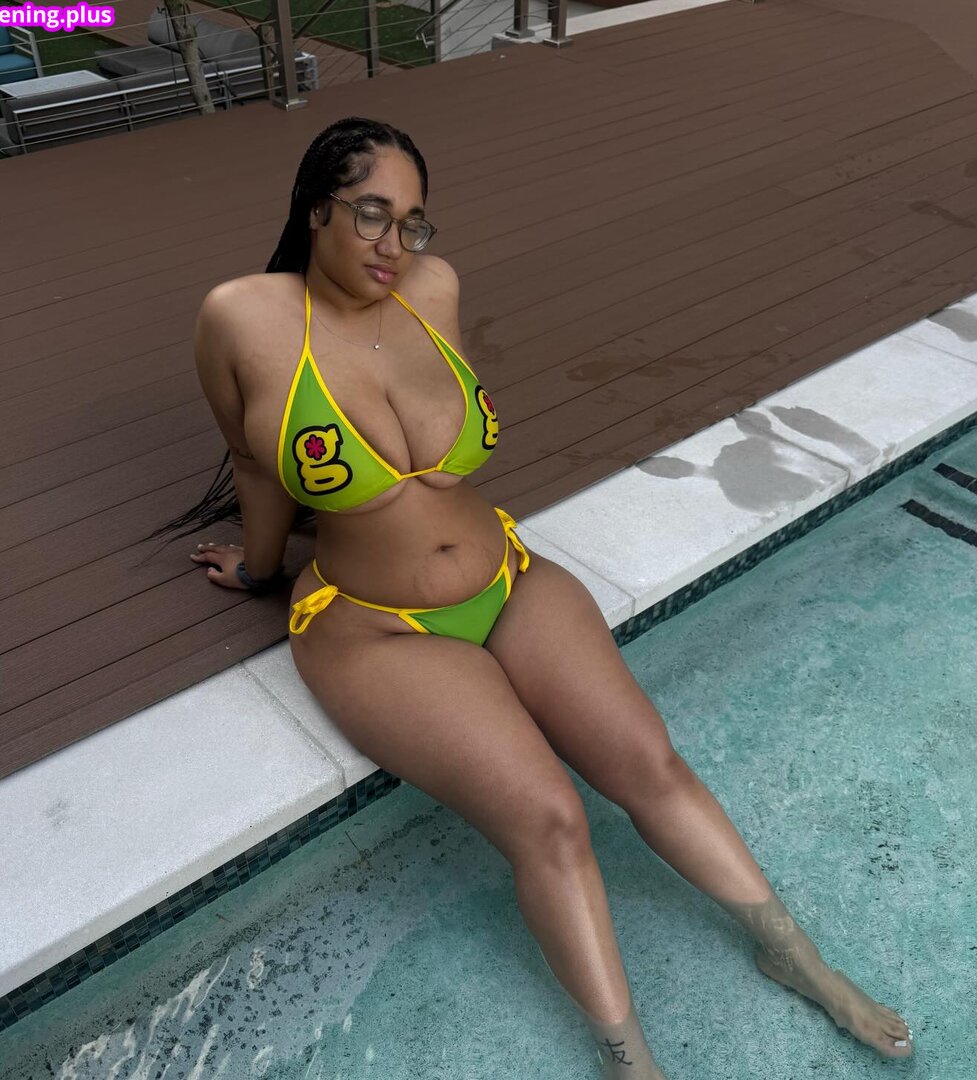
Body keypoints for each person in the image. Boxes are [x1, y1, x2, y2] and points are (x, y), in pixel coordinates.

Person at [146, 116, 913, 1077]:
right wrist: (260, 572)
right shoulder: (242, 316)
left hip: (506, 576)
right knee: (549, 817)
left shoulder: (434, 287)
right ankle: (629, 1061)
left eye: (412, 222)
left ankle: (791, 954)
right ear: (314, 210)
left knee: (647, 763)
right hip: (376, 625)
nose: (393, 245)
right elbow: (258, 469)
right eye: (371, 214)